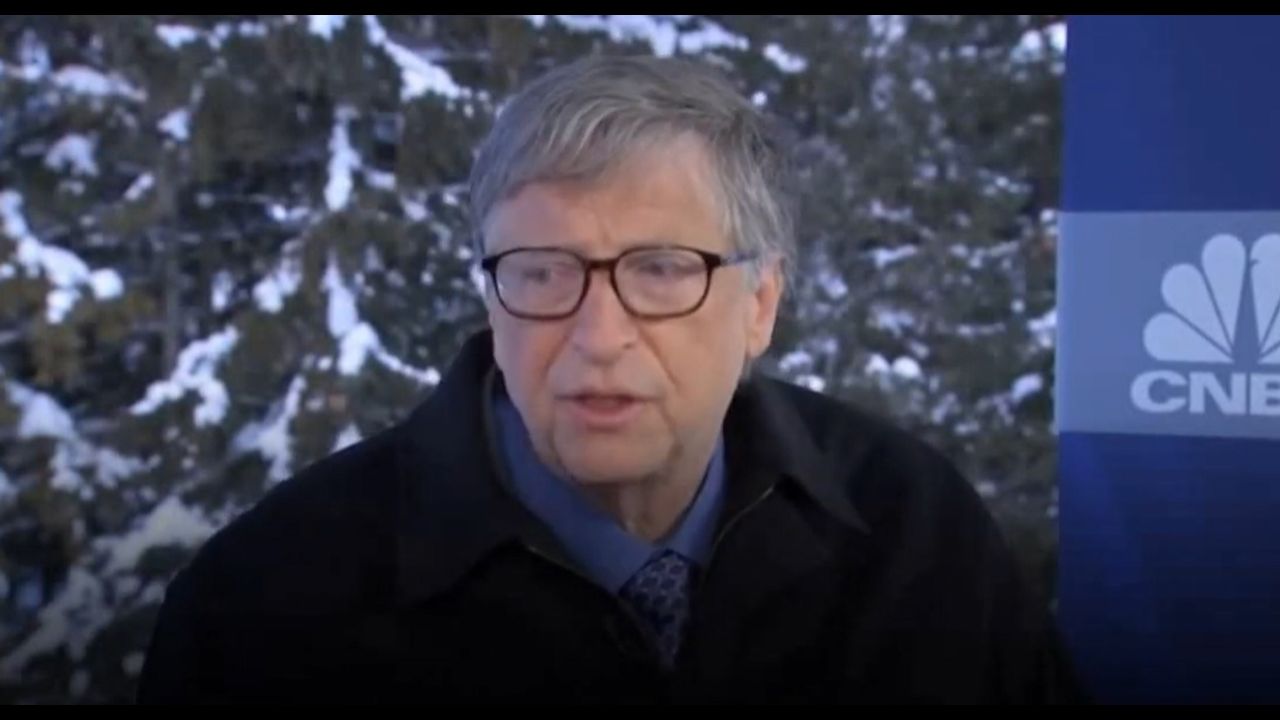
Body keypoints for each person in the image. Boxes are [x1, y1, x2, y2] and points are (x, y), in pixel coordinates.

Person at [137, 54, 1085, 704]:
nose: (598, 337)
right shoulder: (267, 604)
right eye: (544, 272)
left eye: (663, 271)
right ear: (492, 295)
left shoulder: (920, 541)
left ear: (760, 303)